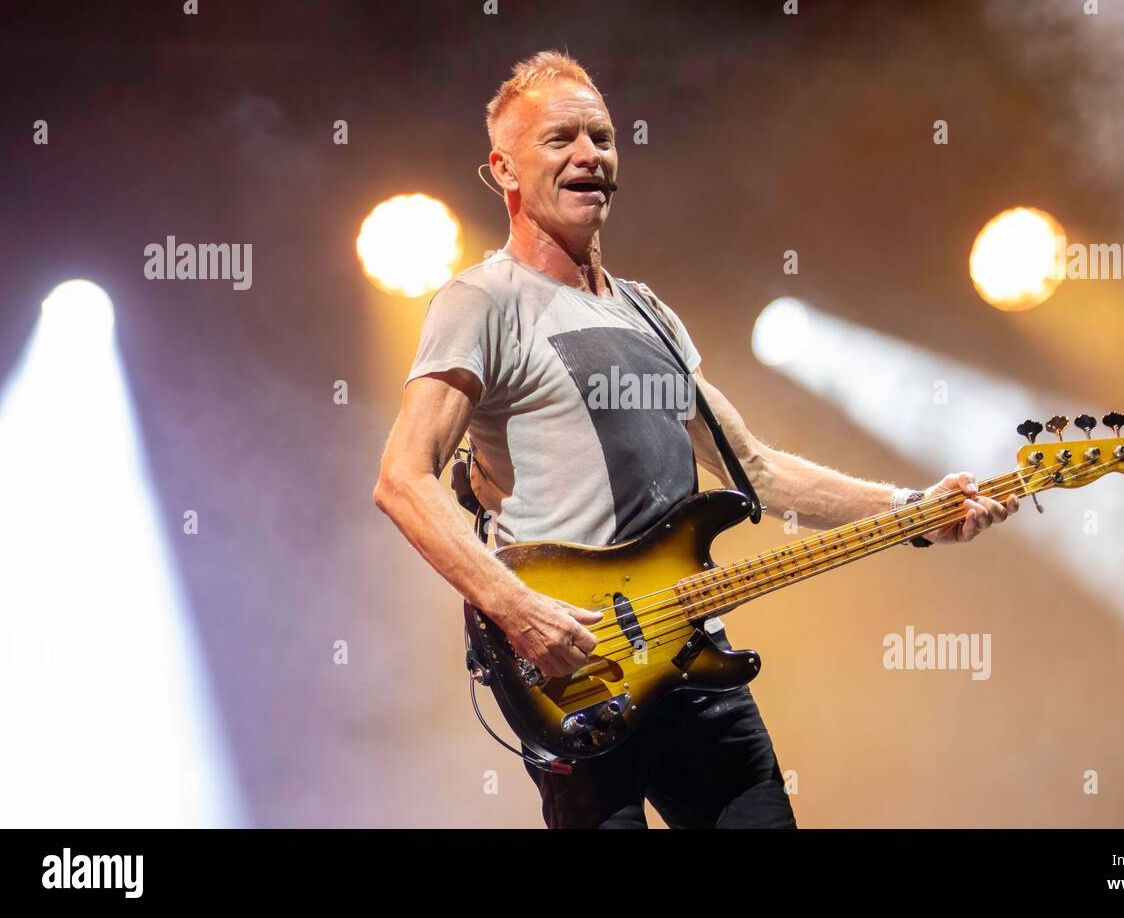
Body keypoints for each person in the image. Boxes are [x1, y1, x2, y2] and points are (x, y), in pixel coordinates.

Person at [373, 51, 1019, 828]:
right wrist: (520, 612)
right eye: (560, 140)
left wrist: (914, 508)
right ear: (503, 170)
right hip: (579, 676)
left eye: (602, 137)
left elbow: (757, 471)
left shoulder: (650, 313)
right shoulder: (481, 301)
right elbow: (403, 480)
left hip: (696, 664)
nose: (589, 156)